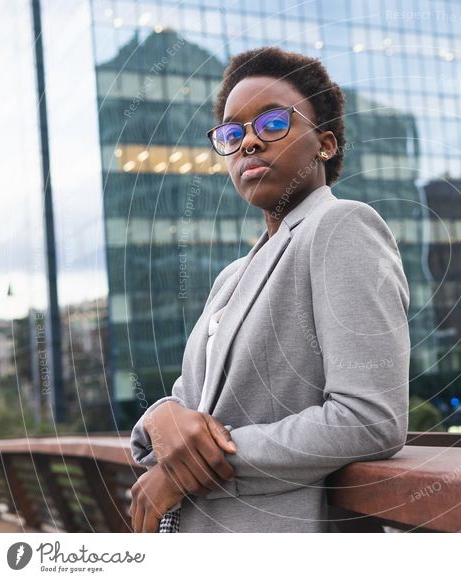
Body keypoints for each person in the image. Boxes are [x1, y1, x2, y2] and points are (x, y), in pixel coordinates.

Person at [128, 46, 410, 533]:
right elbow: (191, 405)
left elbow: (369, 419)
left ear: (324, 144)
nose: (249, 144)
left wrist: (188, 469)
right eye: (232, 133)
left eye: (273, 124)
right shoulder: (232, 278)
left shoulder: (341, 227)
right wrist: (160, 417)